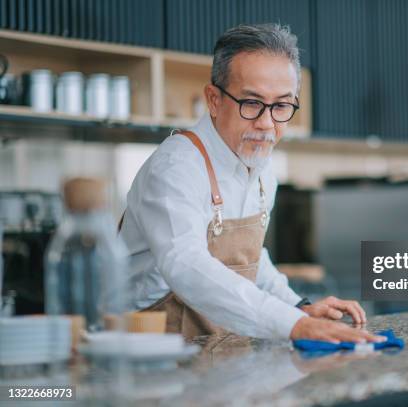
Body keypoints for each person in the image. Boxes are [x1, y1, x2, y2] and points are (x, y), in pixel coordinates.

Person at [119, 23, 384, 345]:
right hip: (146, 350)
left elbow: (250, 260)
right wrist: (293, 325)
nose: (266, 123)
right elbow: (185, 265)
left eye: (282, 106)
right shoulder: (176, 166)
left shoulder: (261, 168)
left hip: (214, 348)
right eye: (251, 103)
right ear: (214, 100)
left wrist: (299, 308)